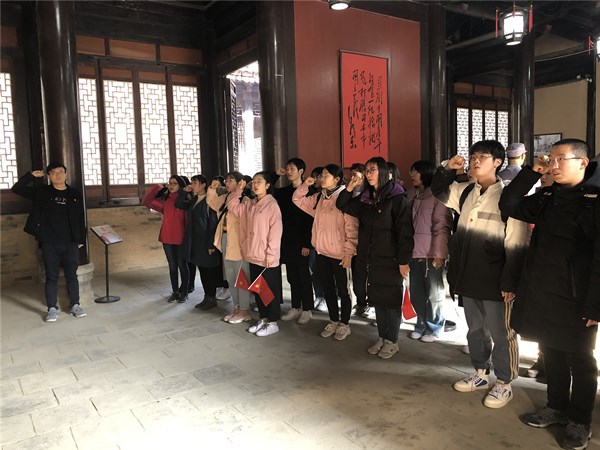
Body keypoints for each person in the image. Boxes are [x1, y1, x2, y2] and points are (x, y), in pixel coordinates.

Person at [499, 138, 599, 450]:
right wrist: (530, 172)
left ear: (582, 163)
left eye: (560, 159)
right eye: (550, 159)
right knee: (551, 352)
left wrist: (595, 305)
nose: (553, 165)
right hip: (543, 291)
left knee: (580, 360)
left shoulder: (594, 201)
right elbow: (509, 205)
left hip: (577, 298)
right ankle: (556, 407)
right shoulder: (547, 197)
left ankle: (580, 421)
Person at [431, 140, 529, 409]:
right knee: (475, 329)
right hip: (468, 274)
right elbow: (438, 189)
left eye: (483, 157)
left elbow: (517, 243)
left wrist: (510, 282)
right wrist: (447, 168)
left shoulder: (508, 198)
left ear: (498, 162)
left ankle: (504, 382)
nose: (475, 161)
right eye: (473, 156)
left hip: (496, 279)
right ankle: (480, 373)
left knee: (502, 333)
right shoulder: (464, 192)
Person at [337, 156, 414, 359]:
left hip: (391, 259)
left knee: (391, 299)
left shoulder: (397, 198)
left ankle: (392, 341)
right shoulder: (366, 198)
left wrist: (403, 261)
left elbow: (405, 233)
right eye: (367, 170)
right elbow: (343, 205)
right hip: (370, 258)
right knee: (378, 299)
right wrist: (350, 186)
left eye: (373, 170)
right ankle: (382, 336)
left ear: (384, 172)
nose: (369, 174)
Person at [11, 164, 87, 322]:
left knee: (72, 275)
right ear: (49, 176)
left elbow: (81, 218)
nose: (58, 175)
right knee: (51, 276)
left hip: (70, 242)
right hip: (49, 242)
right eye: (54, 172)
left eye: (61, 172)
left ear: (66, 174)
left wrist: (81, 239)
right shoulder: (42, 192)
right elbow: (17, 189)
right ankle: (52, 308)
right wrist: (31, 176)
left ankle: (75, 305)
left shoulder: (74, 194)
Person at [293, 164, 358, 340]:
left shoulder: (345, 198)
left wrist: (348, 254)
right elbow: (297, 200)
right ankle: (333, 320)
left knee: (343, 290)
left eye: (326, 175)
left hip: (339, 254)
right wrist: (304, 185)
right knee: (328, 289)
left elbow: (352, 229)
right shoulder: (319, 198)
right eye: (321, 175)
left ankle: (345, 324)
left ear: (337, 179)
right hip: (322, 252)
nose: (322, 178)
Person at [227, 171, 283, 337]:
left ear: (267, 185)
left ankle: (273, 322)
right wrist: (238, 189)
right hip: (252, 254)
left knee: (270, 291)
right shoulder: (250, 204)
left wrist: (271, 254)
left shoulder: (271, 205)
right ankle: (264, 318)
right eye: (254, 181)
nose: (255, 184)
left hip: (266, 257)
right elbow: (232, 206)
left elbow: (276, 232)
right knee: (258, 290)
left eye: (260, 181)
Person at [407, 160, 452, 343]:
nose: (412, 175)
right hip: (413, 251)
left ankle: (434, 327)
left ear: (426, 173)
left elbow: (442, 226)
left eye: (415, 171)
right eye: (411, 171)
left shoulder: (438, 196)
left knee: (434, 294)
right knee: (416, 293)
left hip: (431, 253)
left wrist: (439, 254)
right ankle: (421, 324)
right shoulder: (411, 194)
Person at [207, 171, 253, 323]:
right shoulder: (226, 198)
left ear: (240, 183)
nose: (227, 183)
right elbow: (212, 202)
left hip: (239, 242)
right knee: (231, 276)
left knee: (242, 276)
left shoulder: (245, 200)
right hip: (226, 238)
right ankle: (236, 307)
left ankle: (244, 309)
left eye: (231, 180)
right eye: (226, 181)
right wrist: (212, 189)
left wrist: (238, 192)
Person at [275, 158, 315, 325]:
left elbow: (311, 220)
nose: (289, 171)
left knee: (303, 275)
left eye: (292, 168)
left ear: (301, 171)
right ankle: (296, 306)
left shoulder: (311, 192)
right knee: (291, 276)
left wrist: (307, 243)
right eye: (288, 168)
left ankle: (307, 309)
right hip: (287, 240)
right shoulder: (284, 192)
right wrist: (275, 175)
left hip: (302, 241)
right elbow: (268, 190)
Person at [176, 174, 222, 310]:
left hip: (206, 242)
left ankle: (212, 297)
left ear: (203, 185)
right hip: (195, 242)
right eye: (192, 183)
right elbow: (178, 204)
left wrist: (211, 244)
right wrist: (183, 192)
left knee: (209, 271)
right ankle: (207, 297)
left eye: (195, 183)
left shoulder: (209, 200)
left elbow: (213, 224)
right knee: (202, 269)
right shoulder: (194, 200)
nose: (193, 185)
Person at [142, 175, 189, 304]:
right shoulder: (165, 201)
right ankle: (175, 292)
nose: (171, 186)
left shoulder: (185, 201)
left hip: (181, 239)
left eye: (174, 183)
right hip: (167, 238)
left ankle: (184, 292)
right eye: (169, 183)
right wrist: (159, 187)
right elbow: (146, 201)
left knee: (182, 266)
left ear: (181, 186)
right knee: (172, 266)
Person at [308, 166, 326, 311]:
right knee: (314, 269)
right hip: (314, 239)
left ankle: (328, 297)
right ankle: (319, 295)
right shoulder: (312, 195)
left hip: (327, 241)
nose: (316, 180)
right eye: (314, 176)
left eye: (318, 176)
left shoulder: (332, 196)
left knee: (326, 271)